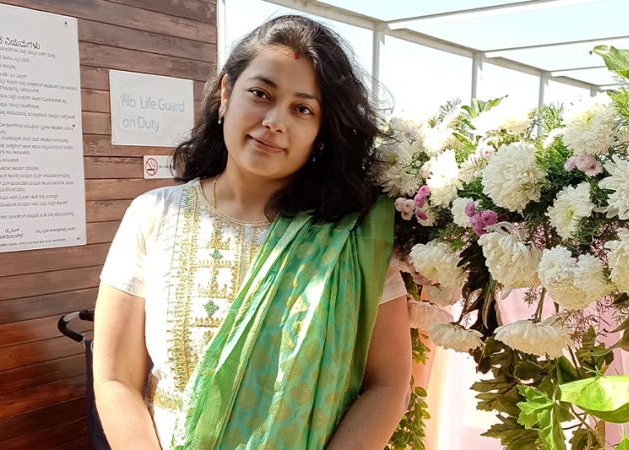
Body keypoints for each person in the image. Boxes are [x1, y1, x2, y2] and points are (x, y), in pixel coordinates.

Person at [93, 15, 412, 450]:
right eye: (261, 94)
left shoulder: (353, 237)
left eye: (303, 108)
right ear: (226, 94)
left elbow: (388, 383)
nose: (275, 121)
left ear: (321, 130)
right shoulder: (152, 216)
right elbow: (115, 377)